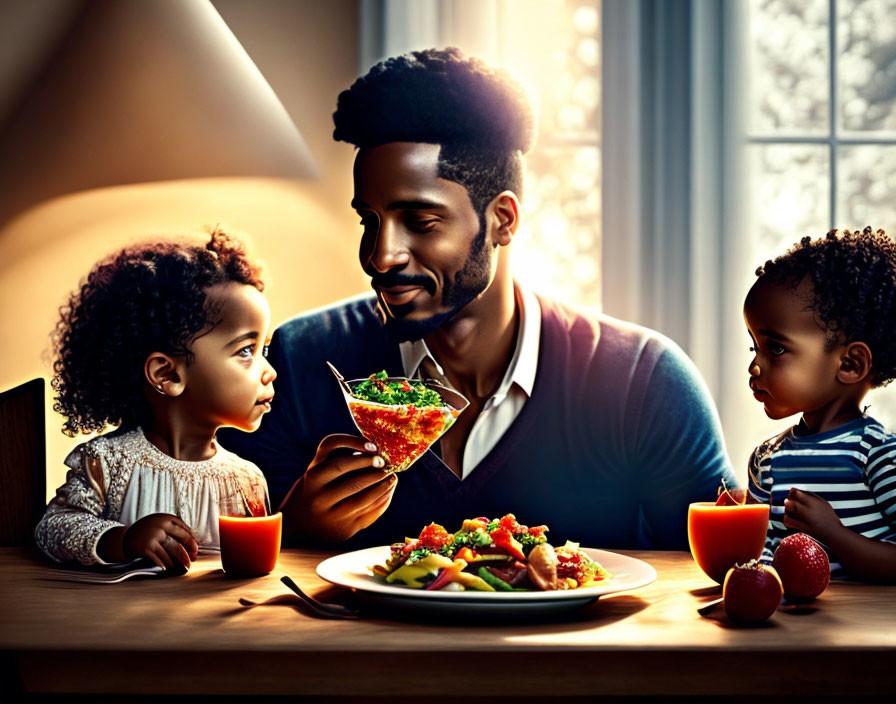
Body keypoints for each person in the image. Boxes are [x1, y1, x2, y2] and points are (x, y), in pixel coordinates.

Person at [220, 47, 734, 550]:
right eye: (369, 222)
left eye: (420, 222)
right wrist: (296, 530)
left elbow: (721, 576)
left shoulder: (645, 381)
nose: (381, 257)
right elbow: (220, 570)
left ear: (502, 220)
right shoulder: (298, 359)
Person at [35, 230, 277, 572]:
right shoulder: (107, 463)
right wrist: (123, 539)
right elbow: (52, 529)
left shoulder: (247, 480)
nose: (270, 372)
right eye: (246, 351)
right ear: (168, 374)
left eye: (263, 349)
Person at [744, 227, 896, 582]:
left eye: (776, 349)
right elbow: (755, 558)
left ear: (849, 364)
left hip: (861, 632)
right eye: (754, 347)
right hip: (783, 632)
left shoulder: (877, 455)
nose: (754, 366)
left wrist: (834, 534)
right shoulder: (767, 461)